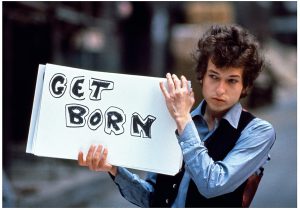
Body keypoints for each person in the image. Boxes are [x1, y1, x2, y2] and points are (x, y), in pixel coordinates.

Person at [77, 24, 276, 207]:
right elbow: (152, 198)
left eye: (232, 81)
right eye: (214, 77)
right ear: (202, 76)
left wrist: (182, 120)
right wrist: (114, 169)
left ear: (245, 86)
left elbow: (213, 184)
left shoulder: (258, 131)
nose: (220, 89)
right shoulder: (175, 122)